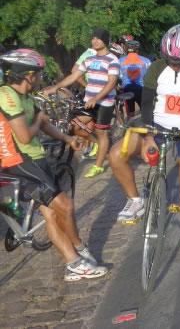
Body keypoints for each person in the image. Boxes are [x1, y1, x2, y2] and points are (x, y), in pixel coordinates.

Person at [0, 49, 107, 280]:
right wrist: (38, 120)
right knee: (65, 206)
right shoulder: (7, 96)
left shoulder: (27, 96)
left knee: (50, 214)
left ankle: (73, 264)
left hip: (34, 158)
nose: (40, 77)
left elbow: (45, 124)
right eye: (38, 73)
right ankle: (79, 248)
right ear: (27, 75)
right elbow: (26, 136)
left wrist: (68, 139)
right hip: (19, 161)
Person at [108, 24, 180, 254]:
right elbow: (146, 102)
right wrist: (149, 136)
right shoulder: (155, 67)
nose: (175, 64)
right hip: (156, 124)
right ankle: (136, 200)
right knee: (116, 154)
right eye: (171, 60)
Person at [44, 28, 119, 178]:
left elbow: (111, 83)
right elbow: (74, 76)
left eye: (98, 38)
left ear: (106, 41)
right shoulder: (89, 59)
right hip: (88, 101)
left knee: (101, 132)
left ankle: (98, 166)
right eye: (93, 38)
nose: (94, 41)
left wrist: (96, 98)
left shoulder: (113, 60)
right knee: (74, 126)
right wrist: (56, 87)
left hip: (104, 103)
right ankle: (99, 144)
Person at [119, 40, 151, 118]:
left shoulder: (119, 61)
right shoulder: (147, 61)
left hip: (127, 90)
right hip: (142, 89)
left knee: (130, 114)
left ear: (126, 49)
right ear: (137, 50)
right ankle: (145, 127)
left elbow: (117, 77)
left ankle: (129, 127)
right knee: (145, 112)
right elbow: (150, 77)